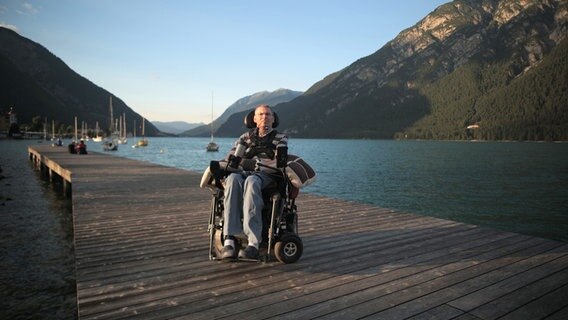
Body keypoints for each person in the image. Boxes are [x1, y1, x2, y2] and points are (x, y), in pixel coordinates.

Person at [221, 104, 287, 261]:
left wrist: (257, 164)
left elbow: (281, 162)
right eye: (261, 114)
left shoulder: (280, 138)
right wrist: (220, 167)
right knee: (232, 178)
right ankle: (229, 239)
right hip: (244, 173)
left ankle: (253, 243)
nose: (265, 117)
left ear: (273, 119)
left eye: (268, 114)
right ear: (254, 119)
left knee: (251, 180)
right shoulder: (245, 137)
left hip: (267, 175)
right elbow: (232, 159)